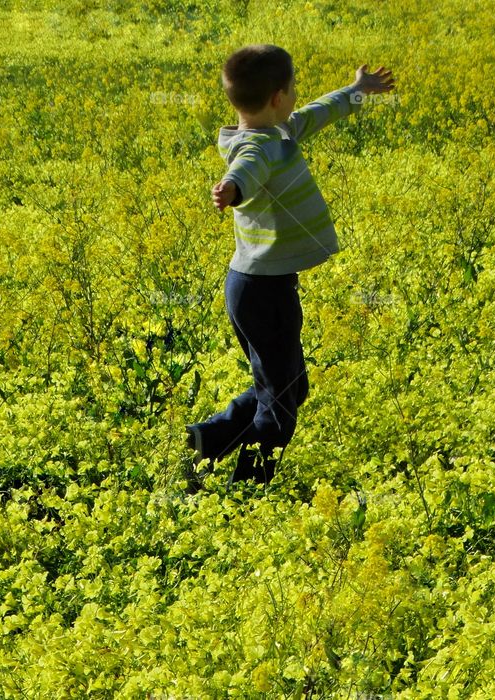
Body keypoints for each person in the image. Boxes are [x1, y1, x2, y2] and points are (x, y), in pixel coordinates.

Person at [184, 44, 395, 492]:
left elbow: (320, 111)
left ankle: (207, 438)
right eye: (294, 86)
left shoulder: (281, 131)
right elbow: (246, 168)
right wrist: (231, 190)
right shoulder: (258, 146)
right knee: (280, 399)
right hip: (262, 293)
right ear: (279, 97)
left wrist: (356, 90)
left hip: (260, 287)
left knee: (288, 387)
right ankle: (250, 487)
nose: (299, 94)